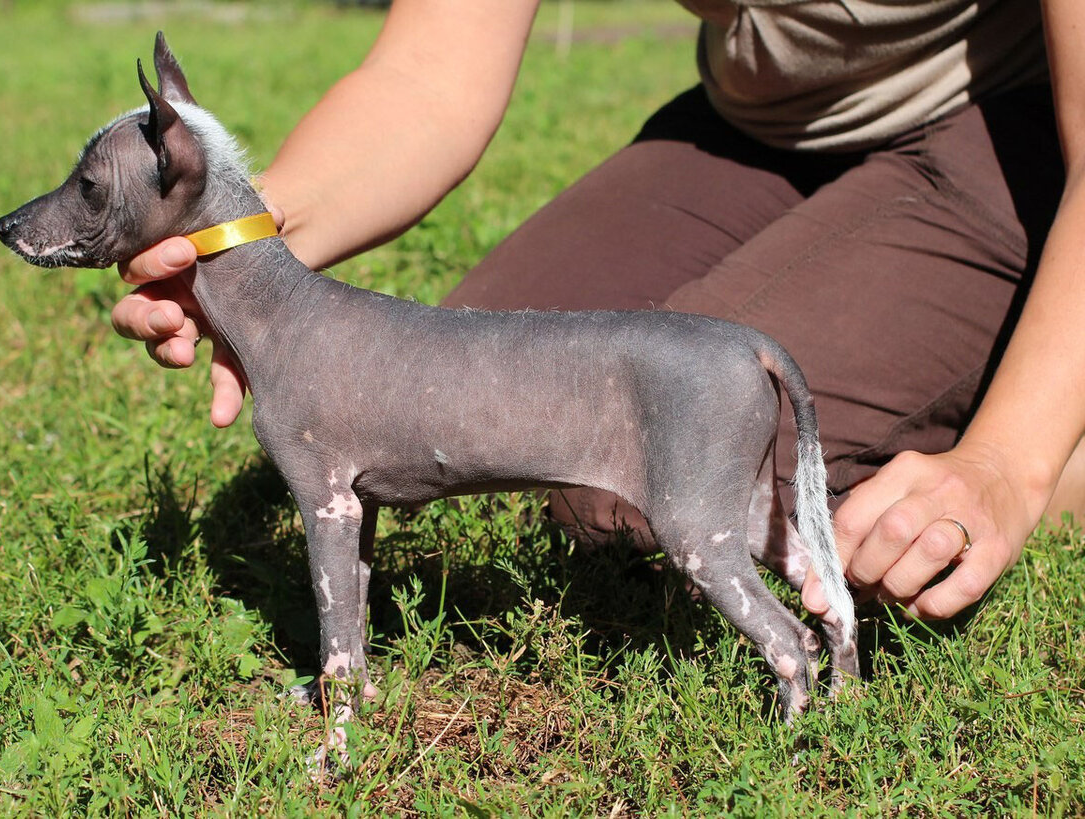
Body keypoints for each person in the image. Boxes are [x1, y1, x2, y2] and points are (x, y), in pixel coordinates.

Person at [111, 0, 1085, 623]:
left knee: (642, 486)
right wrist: (241, 244)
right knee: (431, 395)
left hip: (1016, 134)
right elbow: (426, 77)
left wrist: (1009, 465)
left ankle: (1048, 414)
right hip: (761, 127)